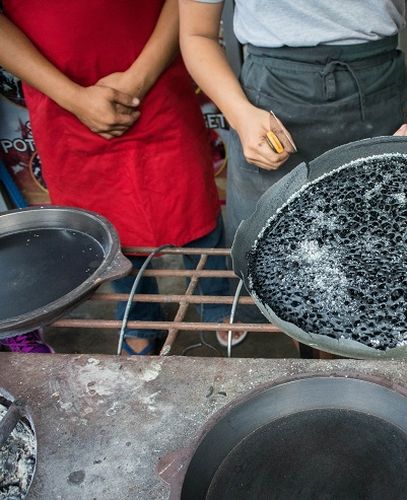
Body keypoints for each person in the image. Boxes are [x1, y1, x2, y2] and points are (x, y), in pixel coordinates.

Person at [179, 0, 407, 345]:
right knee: (272, 271)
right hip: (269, 102)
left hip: (378, 92)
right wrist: (238, 112)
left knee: (387, 267)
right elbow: (197, 33)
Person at [0, 0, 238, 355]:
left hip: (155, 81)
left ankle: (218, 304)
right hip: (61, 98)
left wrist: (137, 80)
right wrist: (74, 98)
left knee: (195, 213)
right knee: (111, 231)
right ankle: (139, 316)